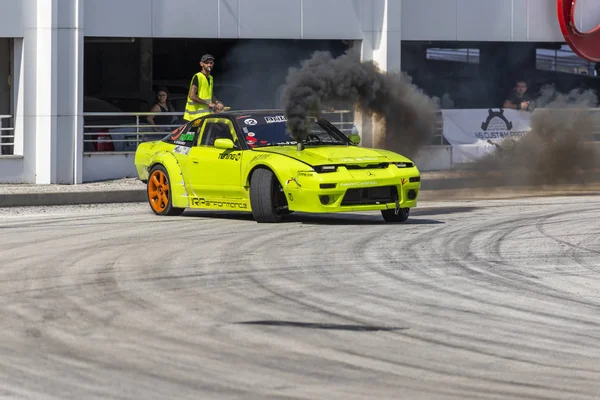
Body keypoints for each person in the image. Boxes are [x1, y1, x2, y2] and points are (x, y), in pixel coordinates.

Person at [183, 54, 224, 121]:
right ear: (201, 64)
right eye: (206, 63)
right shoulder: (197, 76)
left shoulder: (211, 78)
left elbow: (211, 95)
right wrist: (208, 103)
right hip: (195, 117)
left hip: (205, 115)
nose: (209, 65)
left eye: (211, 63)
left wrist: (217, 103)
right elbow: (192, 96)